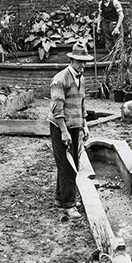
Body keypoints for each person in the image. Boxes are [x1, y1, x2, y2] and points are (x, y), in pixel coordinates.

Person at [47, 41, 93, 220]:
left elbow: (82, 104)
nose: (83, 65)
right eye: (80, 62)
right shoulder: (60, 79)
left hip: (75, 125)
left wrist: (85, 125)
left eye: (85, 62)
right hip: (61, 127)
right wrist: (64, 131)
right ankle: (69, 205)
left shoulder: (81, 78)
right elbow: (57, 109)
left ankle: (61, 198)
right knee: (67, 166)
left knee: (71, 162)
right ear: (72, 60)